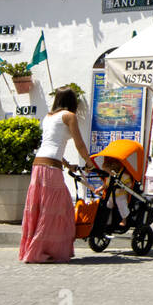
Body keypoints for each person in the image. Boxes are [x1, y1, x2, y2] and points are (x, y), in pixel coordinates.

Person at [19, 87, 95, 264]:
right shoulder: (69, 116)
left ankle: (36, 248)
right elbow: (80, 145)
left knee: (40, 208)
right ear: (72, 102)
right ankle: (43, 250)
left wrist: (68, 165)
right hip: (51, 167)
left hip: (39, 164)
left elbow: (52, 144)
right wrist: (90, 162)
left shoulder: (48, 117)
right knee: (58, 209)